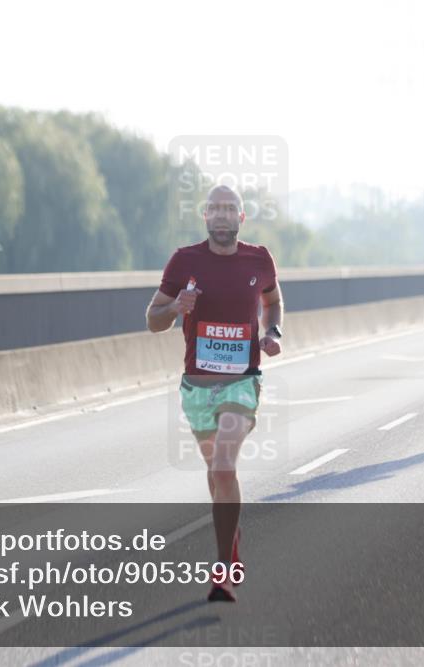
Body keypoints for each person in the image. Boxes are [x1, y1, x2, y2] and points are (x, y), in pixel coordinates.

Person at [146, 184, 283, 602]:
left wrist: (272, 330)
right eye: (215, 209)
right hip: (197, 387)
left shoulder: (259, 258)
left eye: (231, 209)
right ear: (205, 217)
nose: (222, 216)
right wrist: (175, 309)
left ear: (242, 218)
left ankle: (223, 569)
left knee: (224, 466)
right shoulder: (184, 260)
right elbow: (152, 319)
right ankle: (232, 546)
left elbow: (272, 301)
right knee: (217, 474)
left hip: (242, 381)